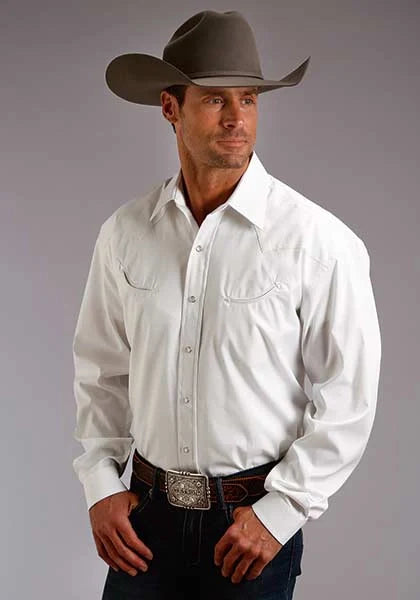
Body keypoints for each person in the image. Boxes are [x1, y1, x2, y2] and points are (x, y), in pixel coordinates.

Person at [71, 10, 381, 600]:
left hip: (249, 529)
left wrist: (281, 513)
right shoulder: (125, 234)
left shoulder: (317, 242)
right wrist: (100, 484)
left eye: (249, 99)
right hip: (144, 525)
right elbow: (101, 370)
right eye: (215, 100)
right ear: (170, 108)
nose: (238, 118)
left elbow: (349, 396)